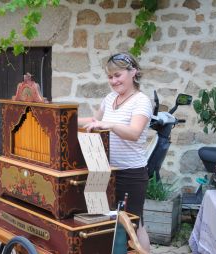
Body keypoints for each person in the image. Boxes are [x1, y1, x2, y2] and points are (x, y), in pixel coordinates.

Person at [78, 52, 152, 252]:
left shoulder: (141, 101)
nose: (113, 81)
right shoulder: (109, 98)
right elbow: (94, 121)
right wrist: (64, 120)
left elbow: (135, 132)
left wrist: (109, 124)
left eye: (117, 75)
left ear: (133, 72)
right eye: (110, 77)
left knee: (134, 225)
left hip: (130, 173)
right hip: (104, 170)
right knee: (100, 221)